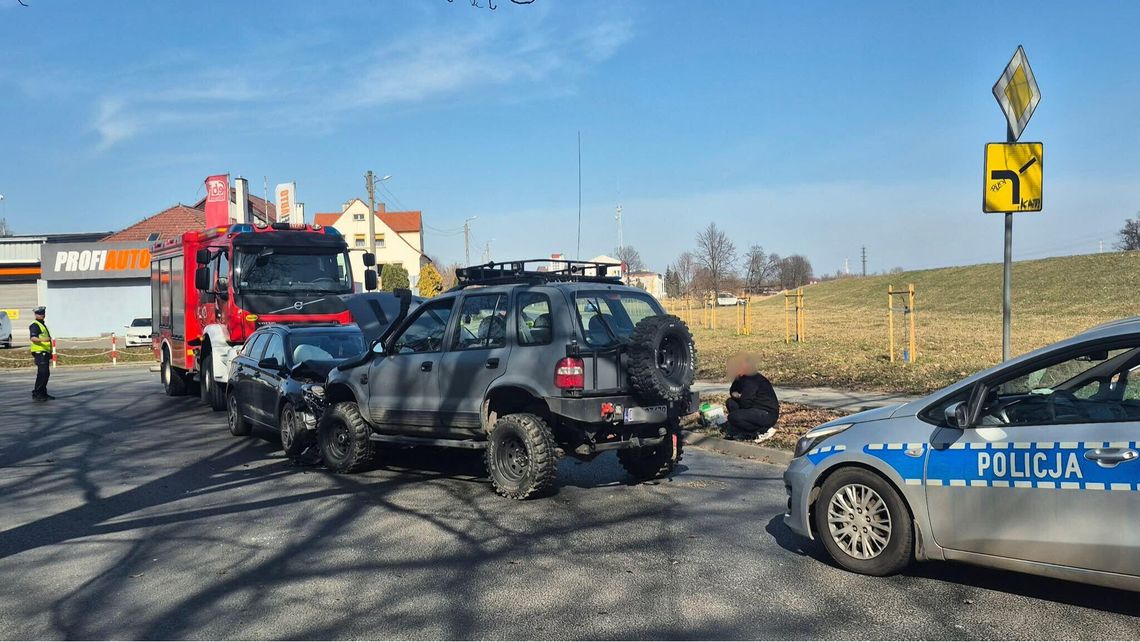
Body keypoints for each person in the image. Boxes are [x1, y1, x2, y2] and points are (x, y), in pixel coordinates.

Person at [724, 354, 779, 442]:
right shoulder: (740, 377)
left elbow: (746, 402)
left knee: (733, 417)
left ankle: (762, 430)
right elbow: (732, 391)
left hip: (766, 413)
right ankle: (742, 429)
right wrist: (738, 396)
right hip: (753, 408)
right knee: (730, 403)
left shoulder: (752, 379)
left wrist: (740, 397)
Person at [29, 306, 55, 402]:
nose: (42, 315)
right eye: (40, 313)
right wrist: (44, 339)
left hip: (45, 352)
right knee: (42, 373)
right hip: (39, 352)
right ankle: (37, 393)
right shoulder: (35, 325)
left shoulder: (42, 324)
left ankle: (43, 393)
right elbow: (33, 338)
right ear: (36, 314)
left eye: (43, 313)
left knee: (46, 373)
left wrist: (50, 351)